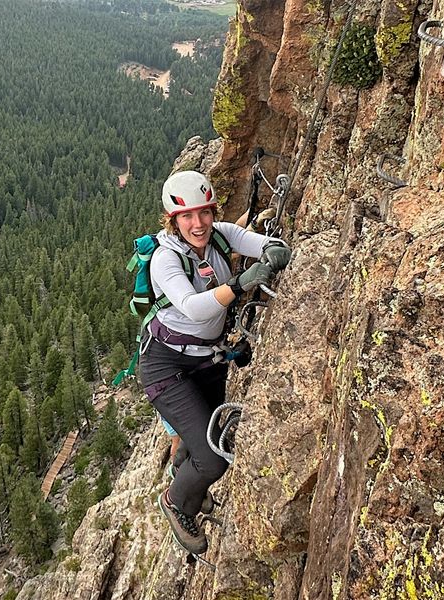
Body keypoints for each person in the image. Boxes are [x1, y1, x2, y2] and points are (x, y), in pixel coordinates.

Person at [139, 170, 290, 554]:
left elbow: (264, 244)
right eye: (187, 216)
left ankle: (188, 481)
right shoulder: (165, 260)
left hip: (206, 360)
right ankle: (176, 501)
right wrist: (240, 283)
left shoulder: (221, 234)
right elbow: (192, 307)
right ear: (172, 221)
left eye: (204, 212)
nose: (199, 223)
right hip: (166, 366)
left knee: (202, 435)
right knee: (214, 455)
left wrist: (273, 249)